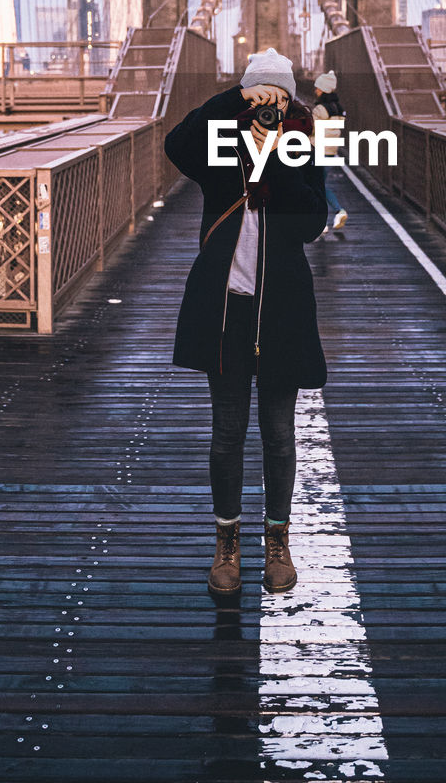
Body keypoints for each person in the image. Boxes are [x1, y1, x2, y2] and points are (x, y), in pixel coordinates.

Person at [163, 47, 328, 597]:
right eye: (260, 98)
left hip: (280, 312)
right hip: (228, 310)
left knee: (280, 437)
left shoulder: (301, 143)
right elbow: (176, 145)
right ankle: (227, 544)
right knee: (227, 434)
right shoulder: (220, 145)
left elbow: (310, 222)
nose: (269, 109)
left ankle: (277, 541)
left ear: (291, 100)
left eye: (278, 98)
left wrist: (277, 160)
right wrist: (232, 99)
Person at [311, 69, 348, 234]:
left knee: (316, 187)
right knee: (320, 186)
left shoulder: (320, 109)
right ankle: (337, 212)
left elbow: (310, 129)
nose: (315, 91)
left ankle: (329, 218)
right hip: (332, 151)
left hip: (318, 150)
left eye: (317, 88)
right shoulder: (339, 109)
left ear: (323, 90)